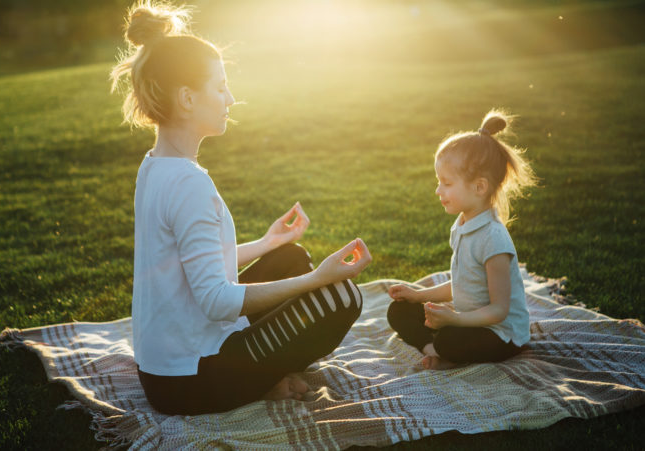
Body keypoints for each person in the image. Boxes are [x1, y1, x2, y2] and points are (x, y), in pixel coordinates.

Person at [110, 1, 372, 415]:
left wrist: (268, 242)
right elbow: (216, 300)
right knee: (341, 297)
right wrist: (317, 280)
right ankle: (257, 383)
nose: (231, 98)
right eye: (220, 87)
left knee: (289, 255)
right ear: (187, 98)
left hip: (163, 368)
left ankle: (258, 370)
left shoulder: (155, 166)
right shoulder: (189, 183)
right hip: (191, 379)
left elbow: (190, 266)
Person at [386, 110, 537, 370]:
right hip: (467, 320)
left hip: (500, 334)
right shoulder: (463, 225)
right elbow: (461, 284)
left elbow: (498, 311)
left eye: (446, 183)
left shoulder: (493, 239)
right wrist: (417, 295)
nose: (438, 190)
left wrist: (454, 319)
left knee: (449, 339)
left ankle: (441, 351)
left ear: (479, 187)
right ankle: (434, 350)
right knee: (398, 311)